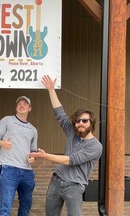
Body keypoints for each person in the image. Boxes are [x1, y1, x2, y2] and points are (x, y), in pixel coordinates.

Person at [29, 75, 103, 216]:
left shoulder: (96, 146)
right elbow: (60, 114)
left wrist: (44, 156)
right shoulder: (72, 133)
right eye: (77, 121)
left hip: (74, 186)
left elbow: (71, 160)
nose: (80, 123)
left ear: (91, 123)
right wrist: (51, 90)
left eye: (84, 120)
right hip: (56, 181)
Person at [0, 96, 38, 216]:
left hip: (27, 171)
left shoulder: (33, 129)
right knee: (5, 206)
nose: (22, 105)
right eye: (19, 104)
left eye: (25, 104)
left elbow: (33, 150)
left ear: (30, 108)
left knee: (26, 205)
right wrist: (2, 143)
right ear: (16, 107)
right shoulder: (7, 120)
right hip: (9, 169)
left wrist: (33, 158)